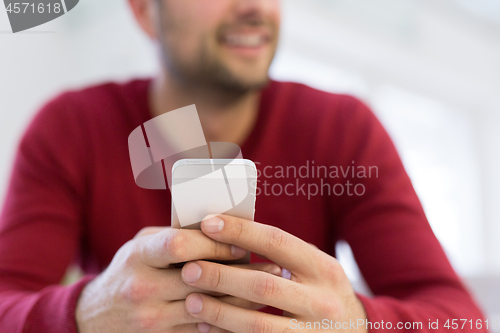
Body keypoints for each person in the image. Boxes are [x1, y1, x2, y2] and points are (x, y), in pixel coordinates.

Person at [0, 0, 486, 332]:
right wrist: (84, 313)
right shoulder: (71, 128)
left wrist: (355, 321)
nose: (255, 6)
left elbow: (461, 319)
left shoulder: (343, 128)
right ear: (145, 11)